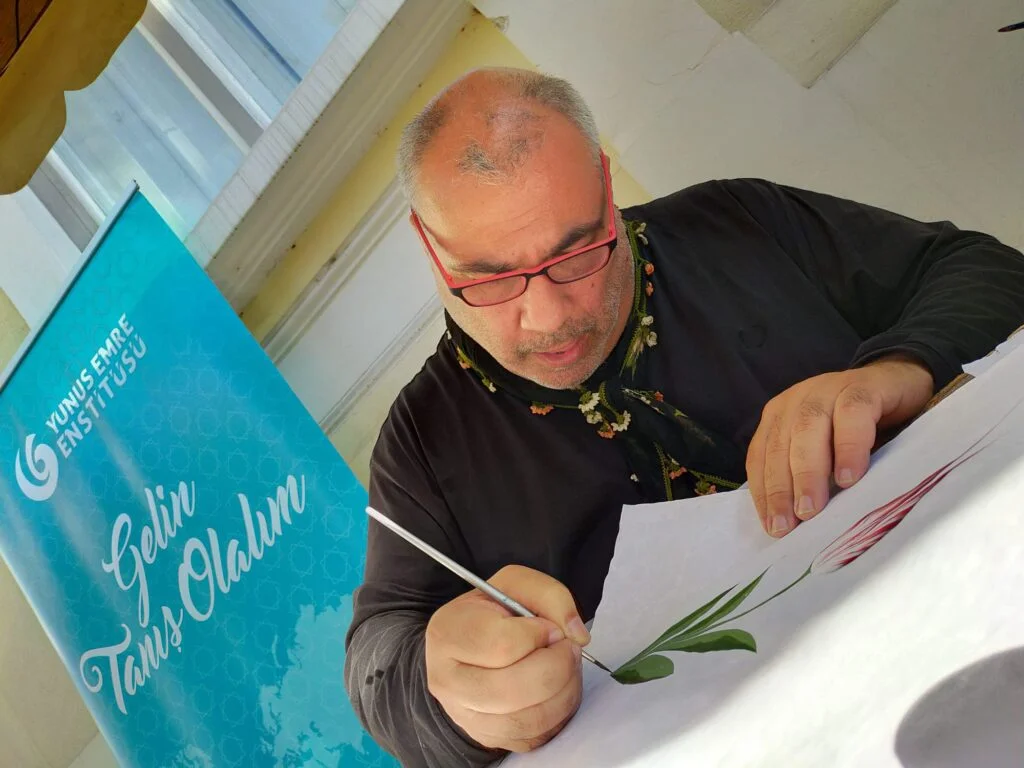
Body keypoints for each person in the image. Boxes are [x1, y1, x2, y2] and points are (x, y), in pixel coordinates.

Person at [343, 66, 1024, 767]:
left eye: (577, 253)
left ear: (607, 189)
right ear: (429, 247)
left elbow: (983, 269)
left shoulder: (736, 225)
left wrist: (896, 370)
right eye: (489, 280)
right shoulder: (423, 441)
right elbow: (379, 654)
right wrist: (449, 694)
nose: (547, 317)